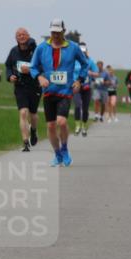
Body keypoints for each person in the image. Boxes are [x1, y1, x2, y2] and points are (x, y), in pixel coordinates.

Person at [29, 19, 90, 167]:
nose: (55, 35)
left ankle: (65, 149)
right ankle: (57, 154)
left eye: (58, 32)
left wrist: (79, 81)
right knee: (50, 126)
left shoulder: (73, 47)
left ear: (63, 31)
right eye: (53, 32)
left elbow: (85, 64)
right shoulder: (42, 47)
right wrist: (40, 77)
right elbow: (33, 67)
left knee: (61, 122)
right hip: (49, 91)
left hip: (65, 91)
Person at [5, 27, 41, 151]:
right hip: (20, 86)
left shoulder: (35, 51)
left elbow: (42, 66)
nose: (21, 36)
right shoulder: (13, 52)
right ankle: (25, 142)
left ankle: (34, 130)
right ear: (16, 38)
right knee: (23, 113)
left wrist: (31, 69)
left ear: (28, 36)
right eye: (19, 35)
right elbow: (8, 66)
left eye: (24, 34)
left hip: (35, 85)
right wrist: (10, 76)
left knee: (33, 114)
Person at [72, 47, 98, 137]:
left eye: (84, 52)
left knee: (85, 108)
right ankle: (77, 126)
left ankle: (84, 126)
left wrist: (91, 73)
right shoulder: (74, 61)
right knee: (78, 105)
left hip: (87, 87)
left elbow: (97, 73)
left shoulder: (90, 61)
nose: (82, 54)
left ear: (86, 52)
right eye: (81, 52)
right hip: (76, 87)